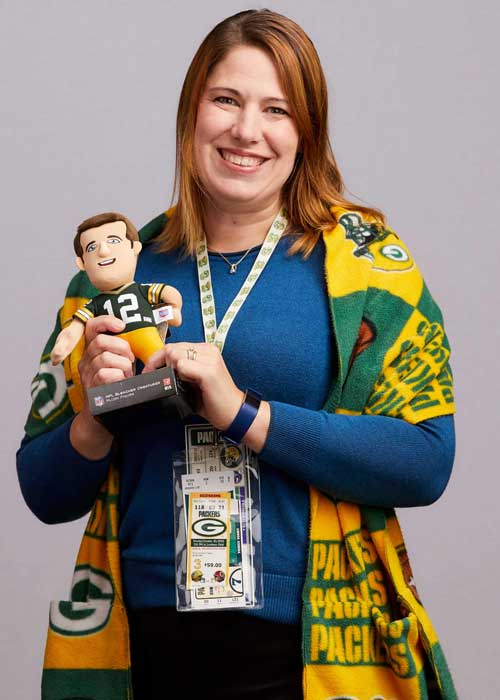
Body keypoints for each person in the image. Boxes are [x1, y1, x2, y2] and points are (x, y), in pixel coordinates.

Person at [17, 9, 457, 700]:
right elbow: (41, 491)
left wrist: (246, 415)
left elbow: (426, 460)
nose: (247, 130)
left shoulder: (372, 271)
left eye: (277, 109)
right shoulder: (113, 279)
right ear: (192, 111)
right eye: (227, 99)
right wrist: (94, 417)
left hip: (312, 654)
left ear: (305, 133)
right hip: (142, 652)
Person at [50, 211, 183, 366]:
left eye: (113, 240)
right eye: (92, 247)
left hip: (146, 334)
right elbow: (75, 327)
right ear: (82, 263)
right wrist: (62, 347)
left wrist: (174, 310)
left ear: (135, 248)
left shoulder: (142, 290)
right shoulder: (93, 304)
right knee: (112, 374)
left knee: (160, 363)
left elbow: (169, 294)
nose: (103, 251)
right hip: (113, 347)